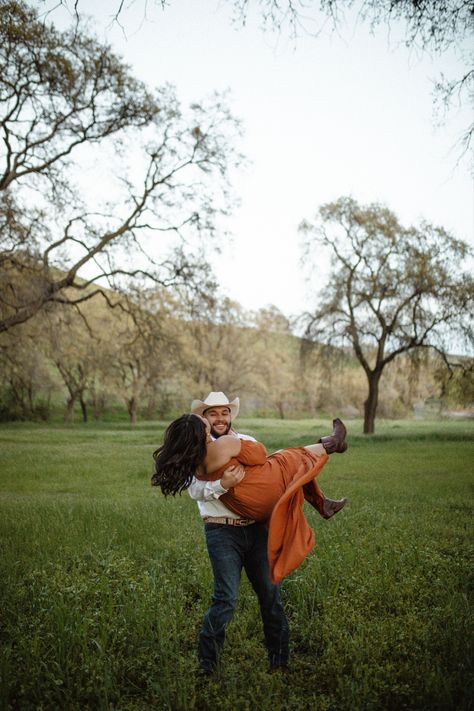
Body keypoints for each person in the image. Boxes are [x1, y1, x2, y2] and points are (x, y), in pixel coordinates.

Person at [152, 391, 348, 675]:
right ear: (204, 421)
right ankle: (207, 668)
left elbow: (258, 459)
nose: (218, 419)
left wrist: (235, 464)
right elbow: (197, 489)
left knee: (270, 595)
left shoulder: (209, 449)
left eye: (224, 413)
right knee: (225, 599)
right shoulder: (212, 450)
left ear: (230, 416)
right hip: (222, 532)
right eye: (211, 415)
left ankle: (279, 662)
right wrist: (222, 483)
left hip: (256, 529)